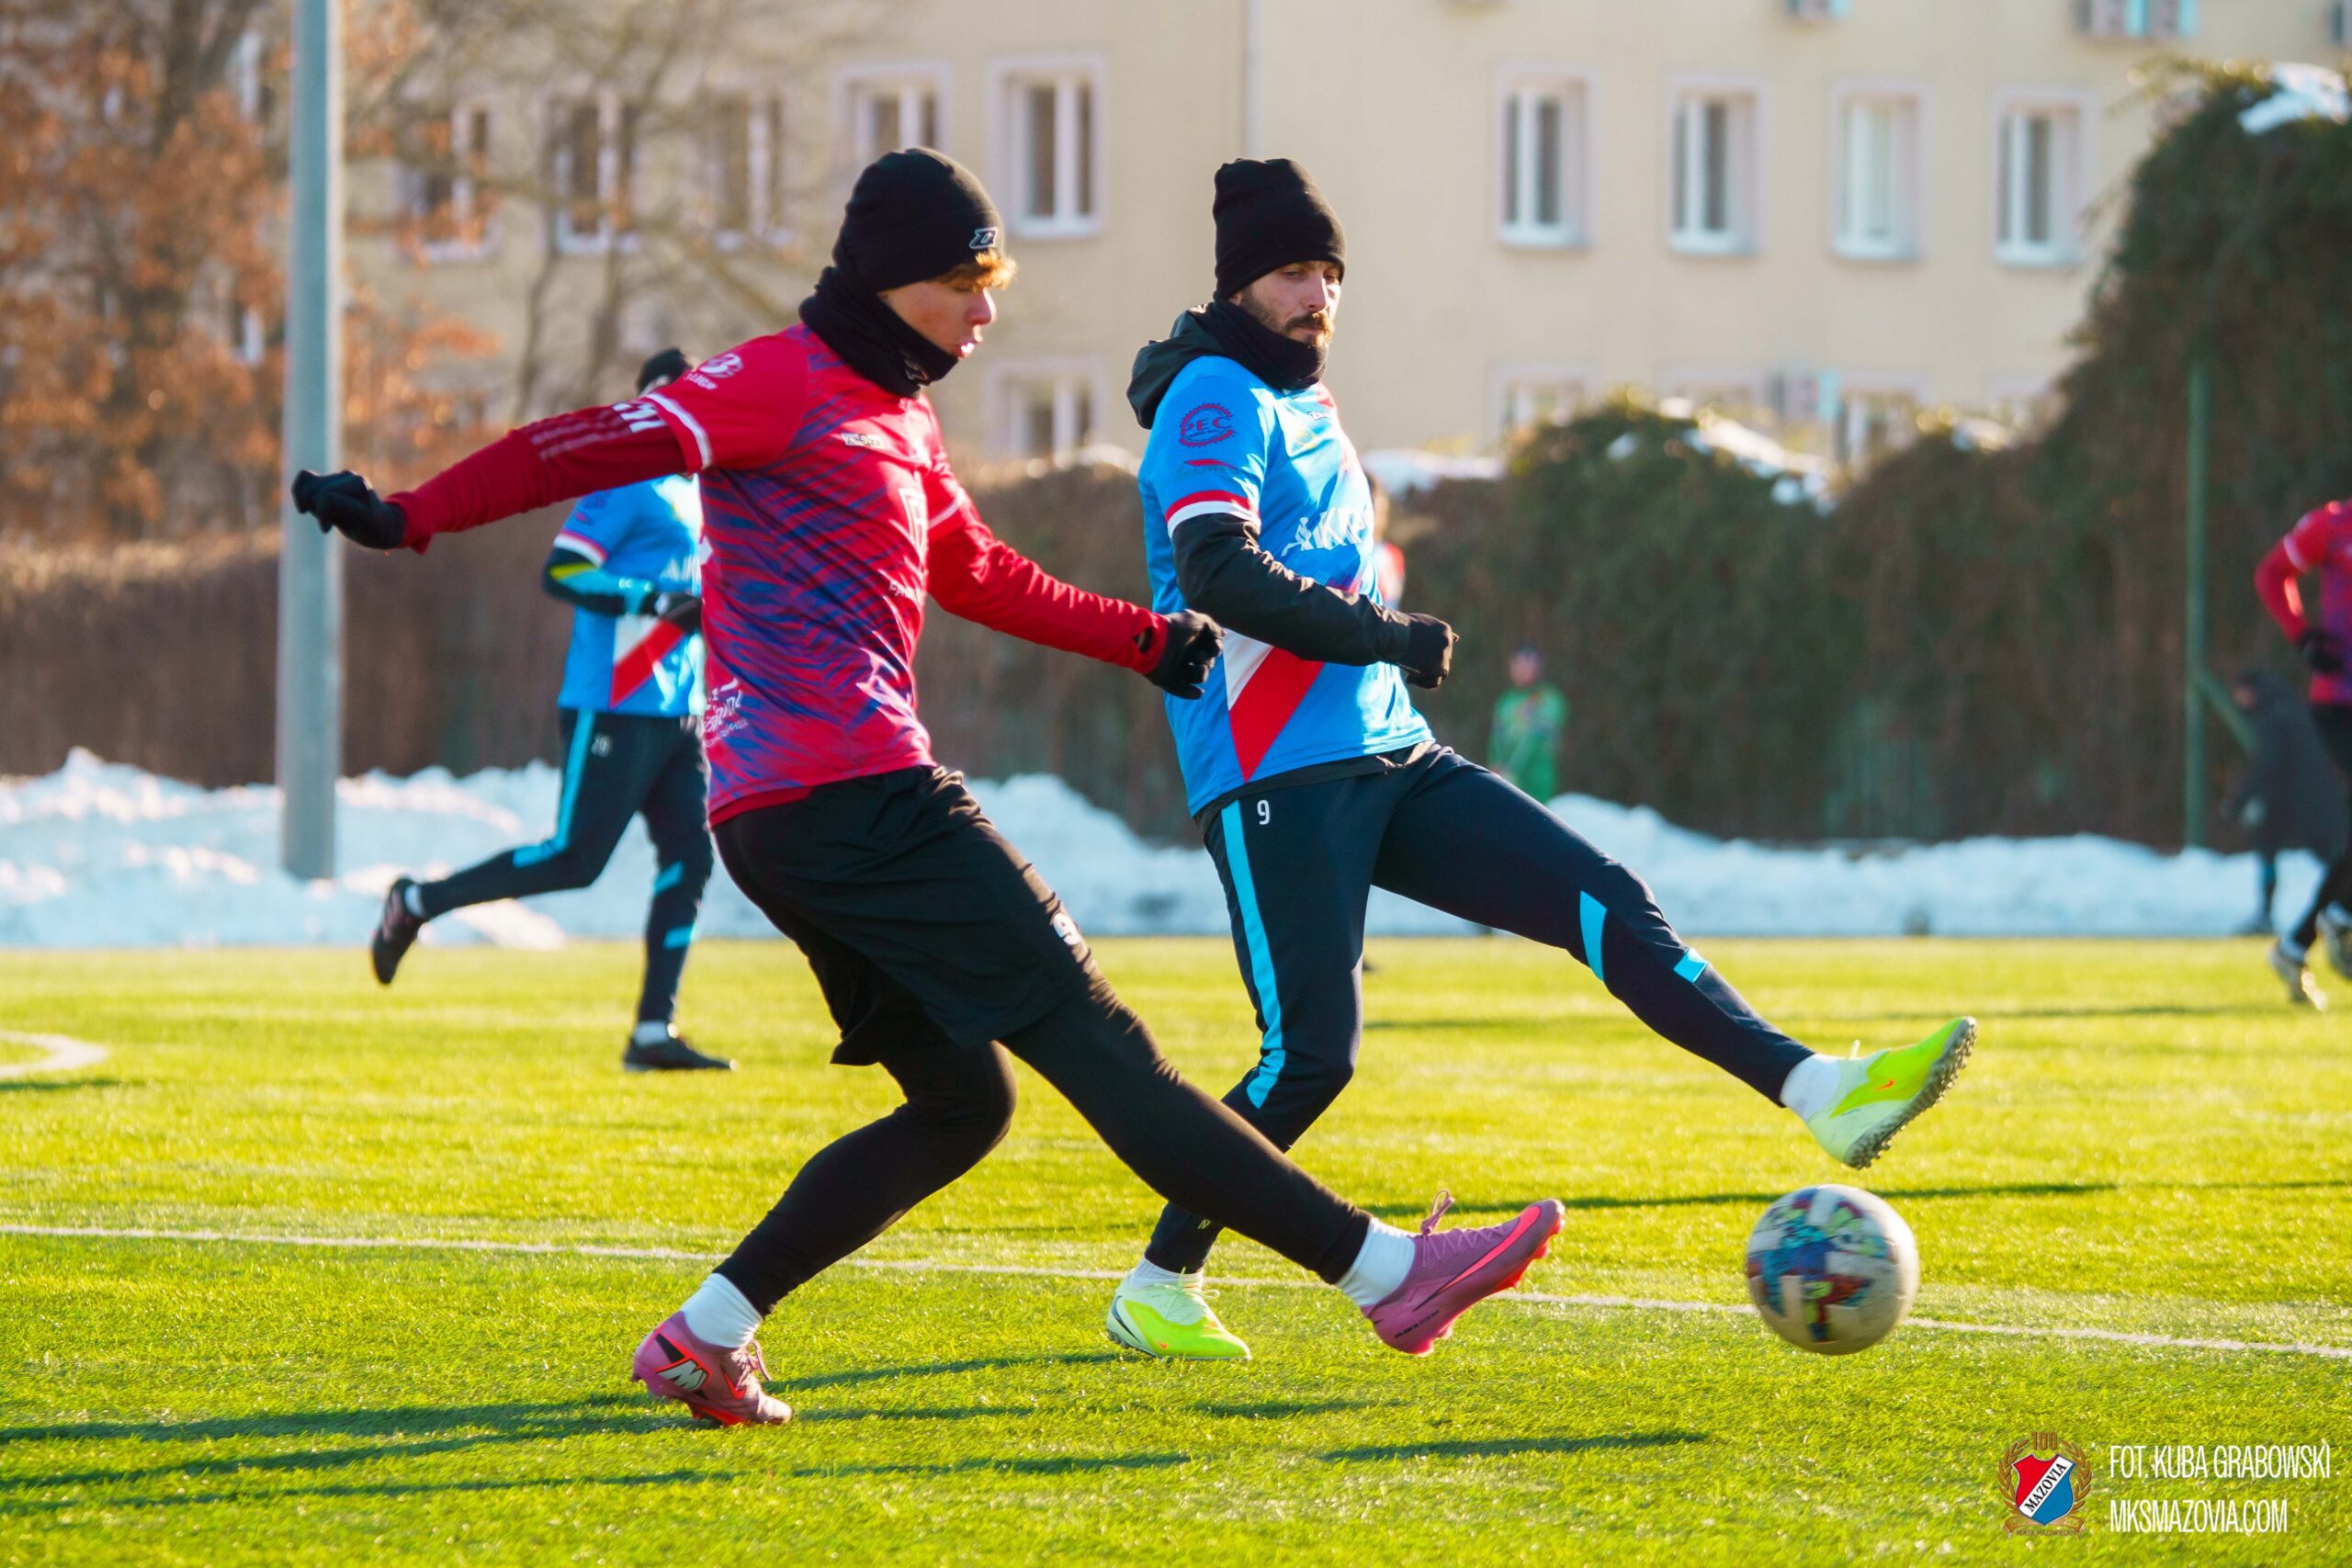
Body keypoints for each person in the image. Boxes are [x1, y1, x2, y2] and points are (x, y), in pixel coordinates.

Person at [295, 149, 1565, 1425]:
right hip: (856, 794)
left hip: (789, 817)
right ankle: (1389, 1273)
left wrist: (1145, 638)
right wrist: (410, 515)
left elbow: (977, 570)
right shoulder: (776, 379)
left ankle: (707, 1332)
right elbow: (585, 443)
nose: (987, 309)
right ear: (899, 277)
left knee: (966, 1103)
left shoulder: (898, 413)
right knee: (1106, 1048)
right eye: (969, 279)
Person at [1103, 157, 1974, 1361]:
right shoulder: (1215, 391)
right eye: (1295, 270)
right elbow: (1216, 570)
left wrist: (1375, 615)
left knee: (1602, 896)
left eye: (1331, 271)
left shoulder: (1307, 396)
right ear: (1242, 280)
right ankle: (1158, 1282)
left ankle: (1822, 1087)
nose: (1319, 294)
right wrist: (1382, 633)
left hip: (1387, 754)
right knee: (1310, 1057)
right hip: (1273, 775)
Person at [366, 348, 727, 1073]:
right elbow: (562, 565)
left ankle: (653, 1030)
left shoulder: (699, 490)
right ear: (650, 398)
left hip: (678, 707)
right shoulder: (629, 476)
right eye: (669, 397)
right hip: (615, 702)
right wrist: (651, 600)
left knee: (691, 859)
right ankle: (417, 900)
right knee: (574, 860)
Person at [2254, 499, 2352, 1004]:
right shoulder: (2332, 525)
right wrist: (2302, 635)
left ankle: (2301, 942)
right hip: (2340, 702)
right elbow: (2272, 573)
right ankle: (2337, 920)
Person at [2219, 668, 2347, 939]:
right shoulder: (2297, 708)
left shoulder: (2271, 717)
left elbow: (2268, 763)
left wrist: (2239, 800)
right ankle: (2337, 913)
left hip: (2293, 802)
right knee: (2334, 859)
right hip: (2321, 800)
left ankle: (2269, 915)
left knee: (2272, 850)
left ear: (2249, 691)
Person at [1489, 646, 1567, 805]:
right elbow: (1496, 737)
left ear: (1537, 668)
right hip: (1506, 779)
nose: (1520, 670)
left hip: (1537, 779)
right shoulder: (1506, 700)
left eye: (1526, 665)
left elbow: (1537, 738)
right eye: (1516, 665)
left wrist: (1513, 771)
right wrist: (1496, 765)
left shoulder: (1548, 699)